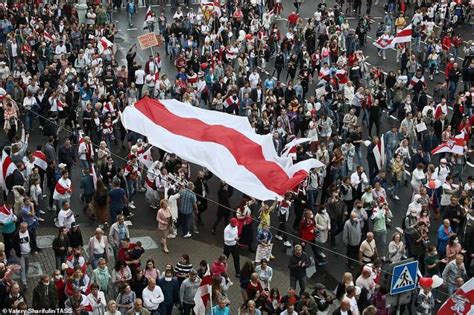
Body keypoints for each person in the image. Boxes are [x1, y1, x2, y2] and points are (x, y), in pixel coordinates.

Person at [13, 222, 36, 286]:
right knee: (22, 267)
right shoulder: (16, 235)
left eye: (25, 227)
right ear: (20, 227)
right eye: (23, 228)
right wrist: (17, 251)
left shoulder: (30, 233)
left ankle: (25, 276)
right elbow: (14, 245)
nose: (24, 229)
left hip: (28, 253)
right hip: (21, 254)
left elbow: (33, 241)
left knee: (27, 265)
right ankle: (24, 282)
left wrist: (34, 250)